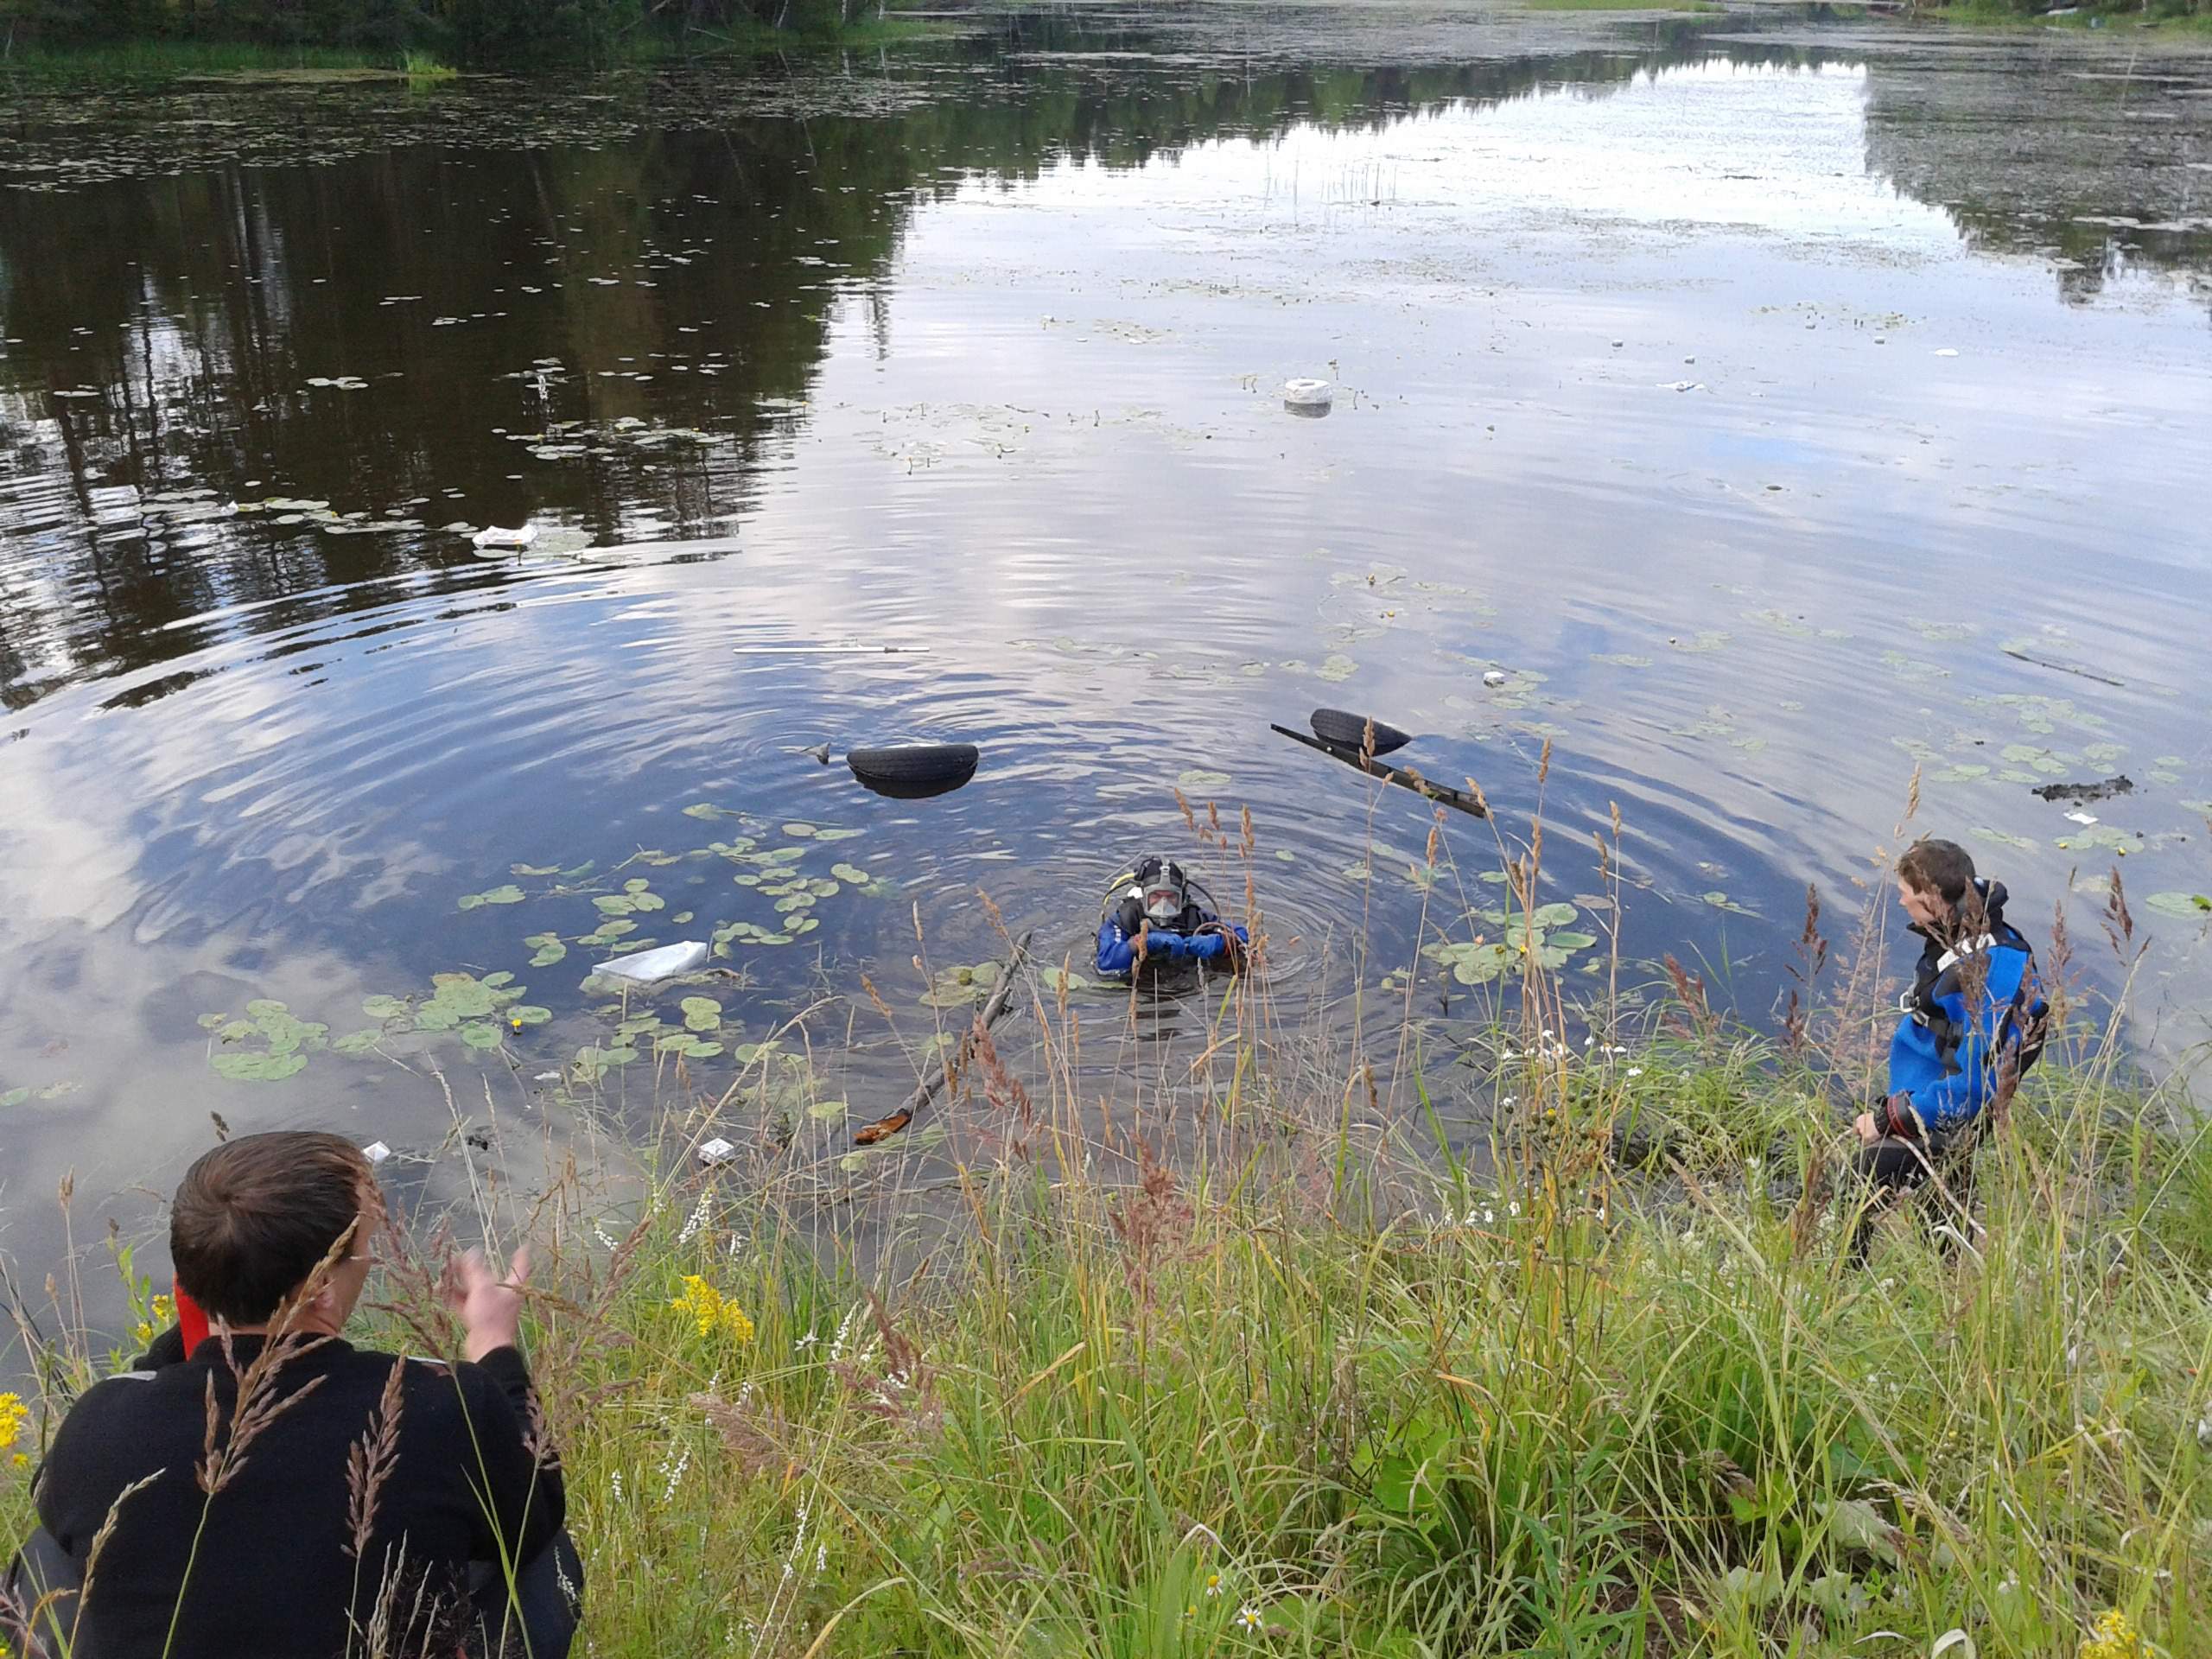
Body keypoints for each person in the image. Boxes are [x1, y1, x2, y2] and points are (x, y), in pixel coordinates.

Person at [4, 1131, 579, 1659]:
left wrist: (208, 1310)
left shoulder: (102, 1421)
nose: (372, 1259)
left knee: (44, 1555)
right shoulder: (442, 1403)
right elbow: (538, 1509)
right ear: (323, 1289)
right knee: (543, 1557)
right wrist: (494, 1344)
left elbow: (58, 1505)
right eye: (363, 1248)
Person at [1847, 837, 2047, 1262]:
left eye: (1908, 896)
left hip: (1949, 1105)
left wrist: (1891, 1119)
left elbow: (1975, 1085)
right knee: (1942, 1193)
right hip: (1927, 1089)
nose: (1902, 903)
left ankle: (1833, 1284)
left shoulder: (1993, 969)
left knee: (1857, 1182)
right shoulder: (1962, 927)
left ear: (1936, 901)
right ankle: (1949, 1273)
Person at [1095, 854, 1249, 981]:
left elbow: (1243, 935)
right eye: (1155, 896)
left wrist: (1219, 943)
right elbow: (1107, 964)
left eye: (1171, 897)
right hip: (1139, 986)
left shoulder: (1193, 917)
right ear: (1144, 896)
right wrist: (1140, 942)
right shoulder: (1127, 917)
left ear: (1181, 898)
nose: (1163, 904)